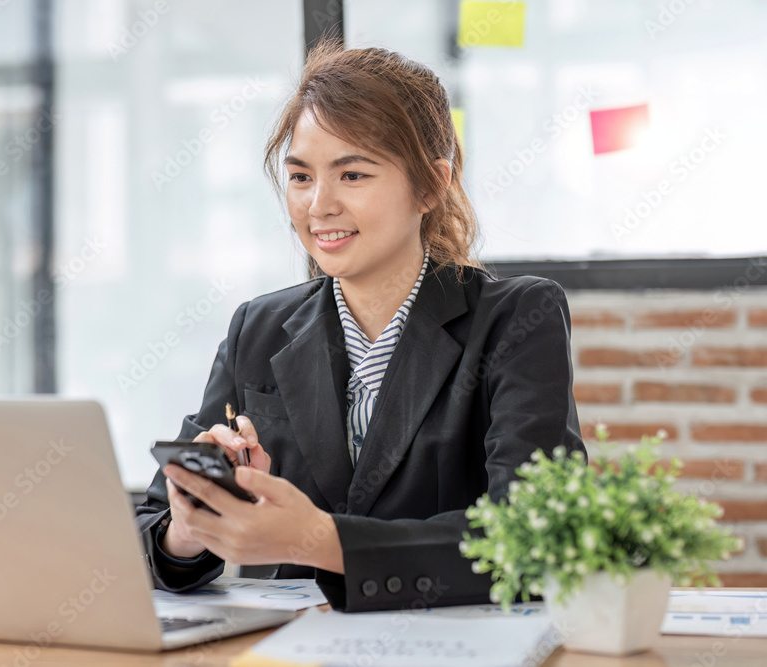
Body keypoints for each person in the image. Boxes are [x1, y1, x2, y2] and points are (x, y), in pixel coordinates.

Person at [135, 39, 585, 613]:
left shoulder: (518, 318)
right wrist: (193, 525)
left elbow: (537, 538)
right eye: (300, 177)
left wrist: (322, 541)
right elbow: (149, 534)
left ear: (431, 185)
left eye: (352, 175)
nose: (318, 205)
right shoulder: (261, 326)